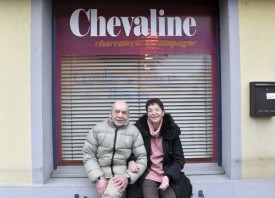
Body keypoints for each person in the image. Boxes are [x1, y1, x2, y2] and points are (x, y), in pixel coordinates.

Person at [126, 98, 192, 198]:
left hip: (167, 172)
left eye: (157, 109)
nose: (154, 113)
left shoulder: (172, 130)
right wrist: (131, 161)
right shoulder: (139, 130)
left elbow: (179, 159)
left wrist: (168, 176)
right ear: (147, 114)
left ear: (163, 113)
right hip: (149, 173)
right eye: (150, 110)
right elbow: (129, 151)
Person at [83, 100, 147, 198]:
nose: (120, 115)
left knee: (110, 195)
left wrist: (127, 176)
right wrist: (99, 178)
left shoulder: (134, 132)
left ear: (128, 115)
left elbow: (142, 158)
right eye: (117, 111)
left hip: (119, 177)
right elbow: (88, 155)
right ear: (110, 113)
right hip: (101, 173)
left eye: (124, 112)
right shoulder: (98, 129)